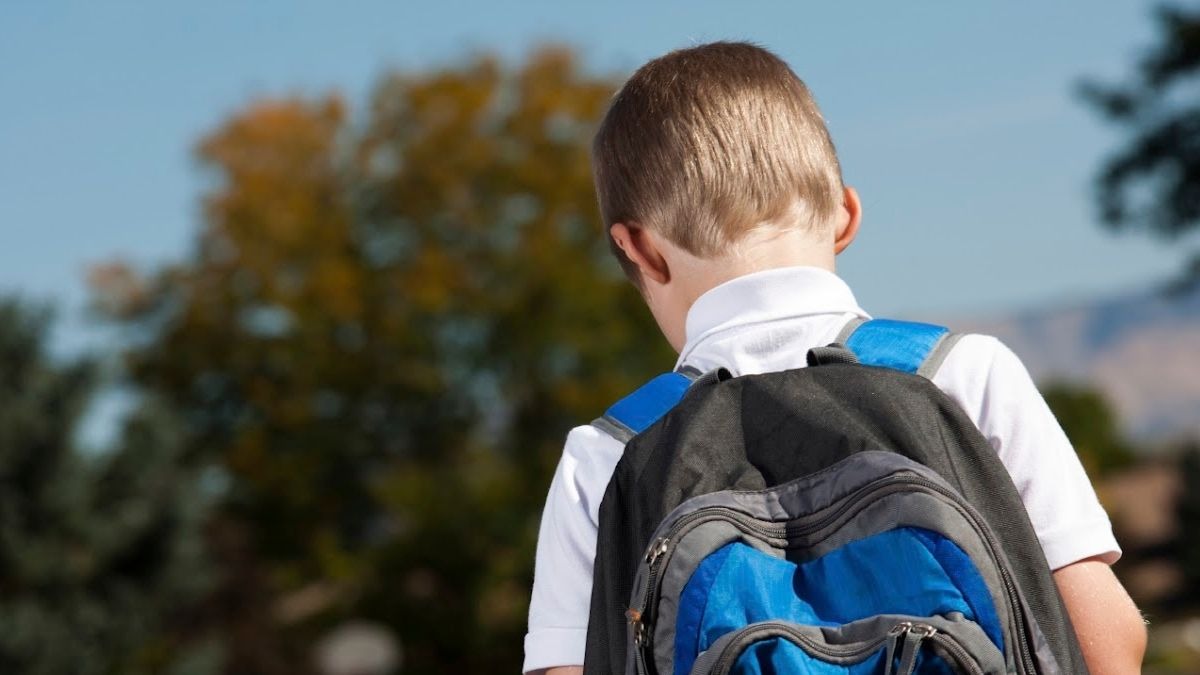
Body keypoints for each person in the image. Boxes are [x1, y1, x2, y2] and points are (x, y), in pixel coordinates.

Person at [523, 41, 1146, 675]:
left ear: (640, 252)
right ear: (846, 215)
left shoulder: (608, 456)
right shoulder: (961, 375)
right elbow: (1106, 643)